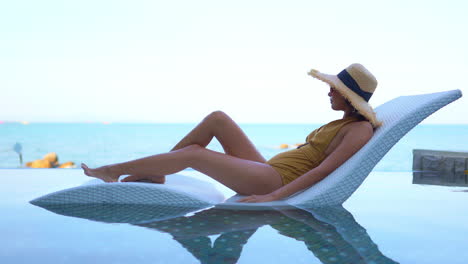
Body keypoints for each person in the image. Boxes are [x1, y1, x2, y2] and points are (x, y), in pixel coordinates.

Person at [81, 63, 381, 203]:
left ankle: (111, 171)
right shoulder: (341, 122)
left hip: (271, 182)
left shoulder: (358, 130)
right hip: (268, 170)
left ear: (348, 96)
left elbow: (324, 171)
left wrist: (273, 197)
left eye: (334, 89)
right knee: (218, 119)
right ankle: (158, 172)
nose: (329, 93)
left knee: (194, 155)